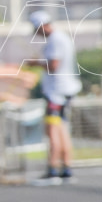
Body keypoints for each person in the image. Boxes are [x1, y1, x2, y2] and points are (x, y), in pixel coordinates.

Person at [27, 10, 81, 180]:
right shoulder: (63, 37)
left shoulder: (54, 40)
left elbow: (54, 65)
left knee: (53, 130)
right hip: (65, 91)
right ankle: (66, 166)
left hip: (56, 93)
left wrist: (35, 63)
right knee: (62, 129)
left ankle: (53, 167)